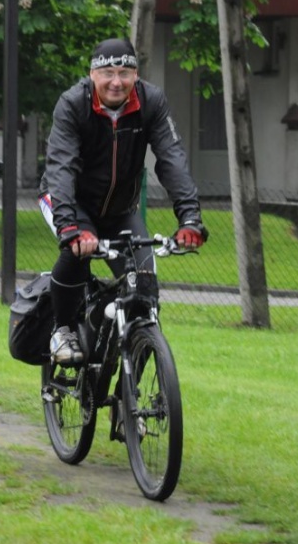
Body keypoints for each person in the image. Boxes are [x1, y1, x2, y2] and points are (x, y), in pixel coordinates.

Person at [39, 37, 208, 365]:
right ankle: (63, 329)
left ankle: (132, 386)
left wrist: (190, 218)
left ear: (136, 75)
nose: (116, 81)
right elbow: (62, 167)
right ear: (93, 74)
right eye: (108, 73)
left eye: (125, 72)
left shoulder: (151, 101)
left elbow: (171, 158)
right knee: (76, 253)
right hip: (71, 202)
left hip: (120, 210)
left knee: (145, 294)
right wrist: (69, 226)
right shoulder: (73, 104)